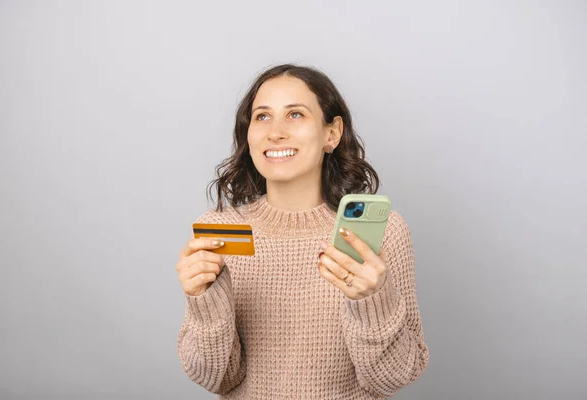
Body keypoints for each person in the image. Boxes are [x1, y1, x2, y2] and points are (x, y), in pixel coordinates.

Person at [175, 63, 430, 399]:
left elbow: (393, 377)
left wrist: (372, 301)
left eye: (295, 115)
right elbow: (217, 379)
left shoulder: (384, 233)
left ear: (332, 134)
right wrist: (203, 301)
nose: (275, 131)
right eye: (262, 116)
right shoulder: (222, 231)